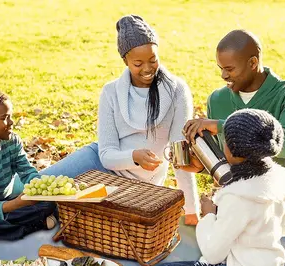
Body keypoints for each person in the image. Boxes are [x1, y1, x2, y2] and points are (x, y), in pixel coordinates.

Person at [40, 15, 199, 224]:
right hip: (99, 163)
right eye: (138, 63)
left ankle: (47, 216)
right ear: (125, 60)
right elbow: (106, 155)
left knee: (65, 209)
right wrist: (133, 156)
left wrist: (191, 211)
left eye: (153, 59)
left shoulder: (177, 91)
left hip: (136, 186)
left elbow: (180, 156)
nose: (148, 68)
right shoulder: (111, 92)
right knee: (37, 188)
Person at [152, 109, 285, 266]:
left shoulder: (238, 197)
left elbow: (213, 253)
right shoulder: (278, 178)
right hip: (262, 265)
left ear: (232, 150)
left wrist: (209, 215)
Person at [181, 29, 285, 261]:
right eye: (221, 68)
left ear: (253, 62)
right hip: (234, 204)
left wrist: (221, 126)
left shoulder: (283, 95)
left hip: (275, 209)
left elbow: (284, 142)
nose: (223, 76)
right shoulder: (217, 99)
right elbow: (229, 160)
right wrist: (202, 164)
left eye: (229, 69)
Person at [0, 90, 57, 250]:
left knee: (50, 203)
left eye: (10, 116)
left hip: (7, 200)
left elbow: (27, 171)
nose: (11, 122)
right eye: (4, 118)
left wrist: (41, 190)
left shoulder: (12, 141)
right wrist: (16, 205)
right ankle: (32, 224)